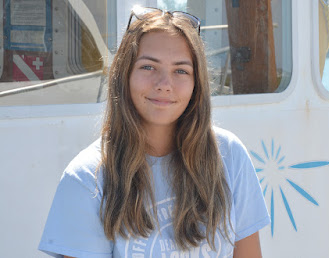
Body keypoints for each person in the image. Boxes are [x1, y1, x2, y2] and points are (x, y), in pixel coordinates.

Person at [39, 6, 270, 257]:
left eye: (181, 70)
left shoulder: (229, 155)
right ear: (124, 74)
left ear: (197, 84)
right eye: (149, 67)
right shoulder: (86, 177)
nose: (164, 85)